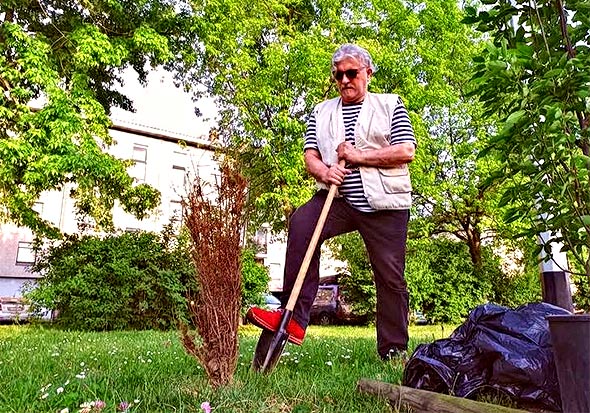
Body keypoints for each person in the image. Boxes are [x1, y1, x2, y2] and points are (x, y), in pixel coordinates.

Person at [247, 43, 416, 360]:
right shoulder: (320, 111)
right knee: (301, 224)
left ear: (368, 72)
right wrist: (325, 171)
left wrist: (358, 156)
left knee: (390, 275)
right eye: (338, 75)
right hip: (338, 199)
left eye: (352, 73)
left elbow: (405, 151)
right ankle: (294, 318)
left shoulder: (390, 105)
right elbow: (310, 155)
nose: (345, 80)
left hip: (385, 203)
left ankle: (393, 348)